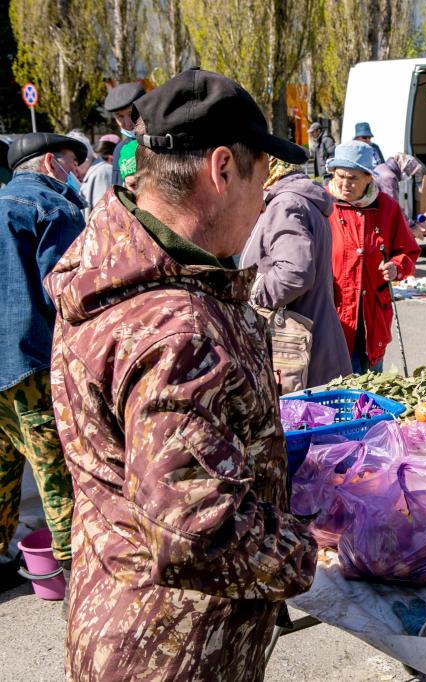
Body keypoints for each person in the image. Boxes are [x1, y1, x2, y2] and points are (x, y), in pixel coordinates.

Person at [44, 68, 316, 680]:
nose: (265, 197)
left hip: (119, 607)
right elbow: (198, 530)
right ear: (222, 170)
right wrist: (305, 550)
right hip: (175, 649)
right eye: (261, 176)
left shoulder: (110, 259)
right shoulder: (178, 327)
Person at [0, 133, 86, 594]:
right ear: (52, 162)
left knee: (1, 470)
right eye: (74, 164)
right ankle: (74, 572)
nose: (77, 175)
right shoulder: (55, 208)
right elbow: (69, 292)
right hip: (33, 361)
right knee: (56, 468)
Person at [239, 158, 353, 385]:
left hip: (299, 347)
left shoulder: (286, 204)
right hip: (310, 339)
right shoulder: (297, 200)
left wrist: (250, 290)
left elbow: (294, 274)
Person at [326, 142, 421, 374]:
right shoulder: (323, 204)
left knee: (371, 382)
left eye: (353, 178)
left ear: (369, 178)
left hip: (373, 313)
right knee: (338, 382)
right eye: (340, 176)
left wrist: (396, 267)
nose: (345, 184)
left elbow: (408, 251)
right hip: (335, 310)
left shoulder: (387, 208)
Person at [104, 82, 146, 186]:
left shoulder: (163, 140)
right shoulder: (120, 149)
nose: (128, 124)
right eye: (120, 116)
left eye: (131, 113)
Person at [67, 130, 112, 217]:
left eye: (73, 160)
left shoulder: (101, 173)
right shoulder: (94, 172)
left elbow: (104, 216)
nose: (72, 168)